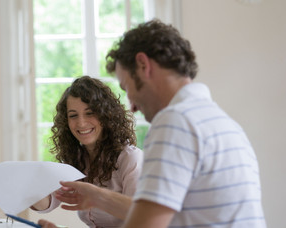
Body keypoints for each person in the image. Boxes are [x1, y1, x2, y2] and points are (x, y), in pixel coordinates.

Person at [39, 19, 266, 228]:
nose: (132, 106)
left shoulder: (176, 122)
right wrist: (99, 197)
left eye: (128, 87)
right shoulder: (222, 123)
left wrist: (99, 197)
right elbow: (173, 215)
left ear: (143, 65)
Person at [31, 76, 143, 228]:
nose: (81, 123)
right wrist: (27, 186)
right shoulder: (76, 158)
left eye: (90, 113)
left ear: (106, 114)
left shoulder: (130, 159)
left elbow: (141, 218)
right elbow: (49, 201)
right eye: (73, 115)